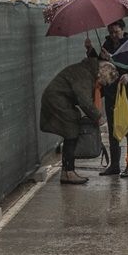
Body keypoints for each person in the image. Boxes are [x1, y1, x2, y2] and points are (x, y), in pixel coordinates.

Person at [40, 47, 112, 186]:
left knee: (71, 132)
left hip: (59, 98)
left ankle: (67, 171)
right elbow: (84, 100)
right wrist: (98, 116)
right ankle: (69, 172)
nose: (102, 86)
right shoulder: (85, 75)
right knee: (71, 132)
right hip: (57, 99)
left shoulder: (89, 71)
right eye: (104, 82)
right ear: (101, 75)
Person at [97, 20, 128, 175]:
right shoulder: (106, 44)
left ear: (123, 30)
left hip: (126, 92)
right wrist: (91, 51)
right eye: (111, 32)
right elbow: (101, 65)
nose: (113, 35)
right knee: (113, 128)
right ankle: (114, 165)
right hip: (111, 91)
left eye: (116, 32)